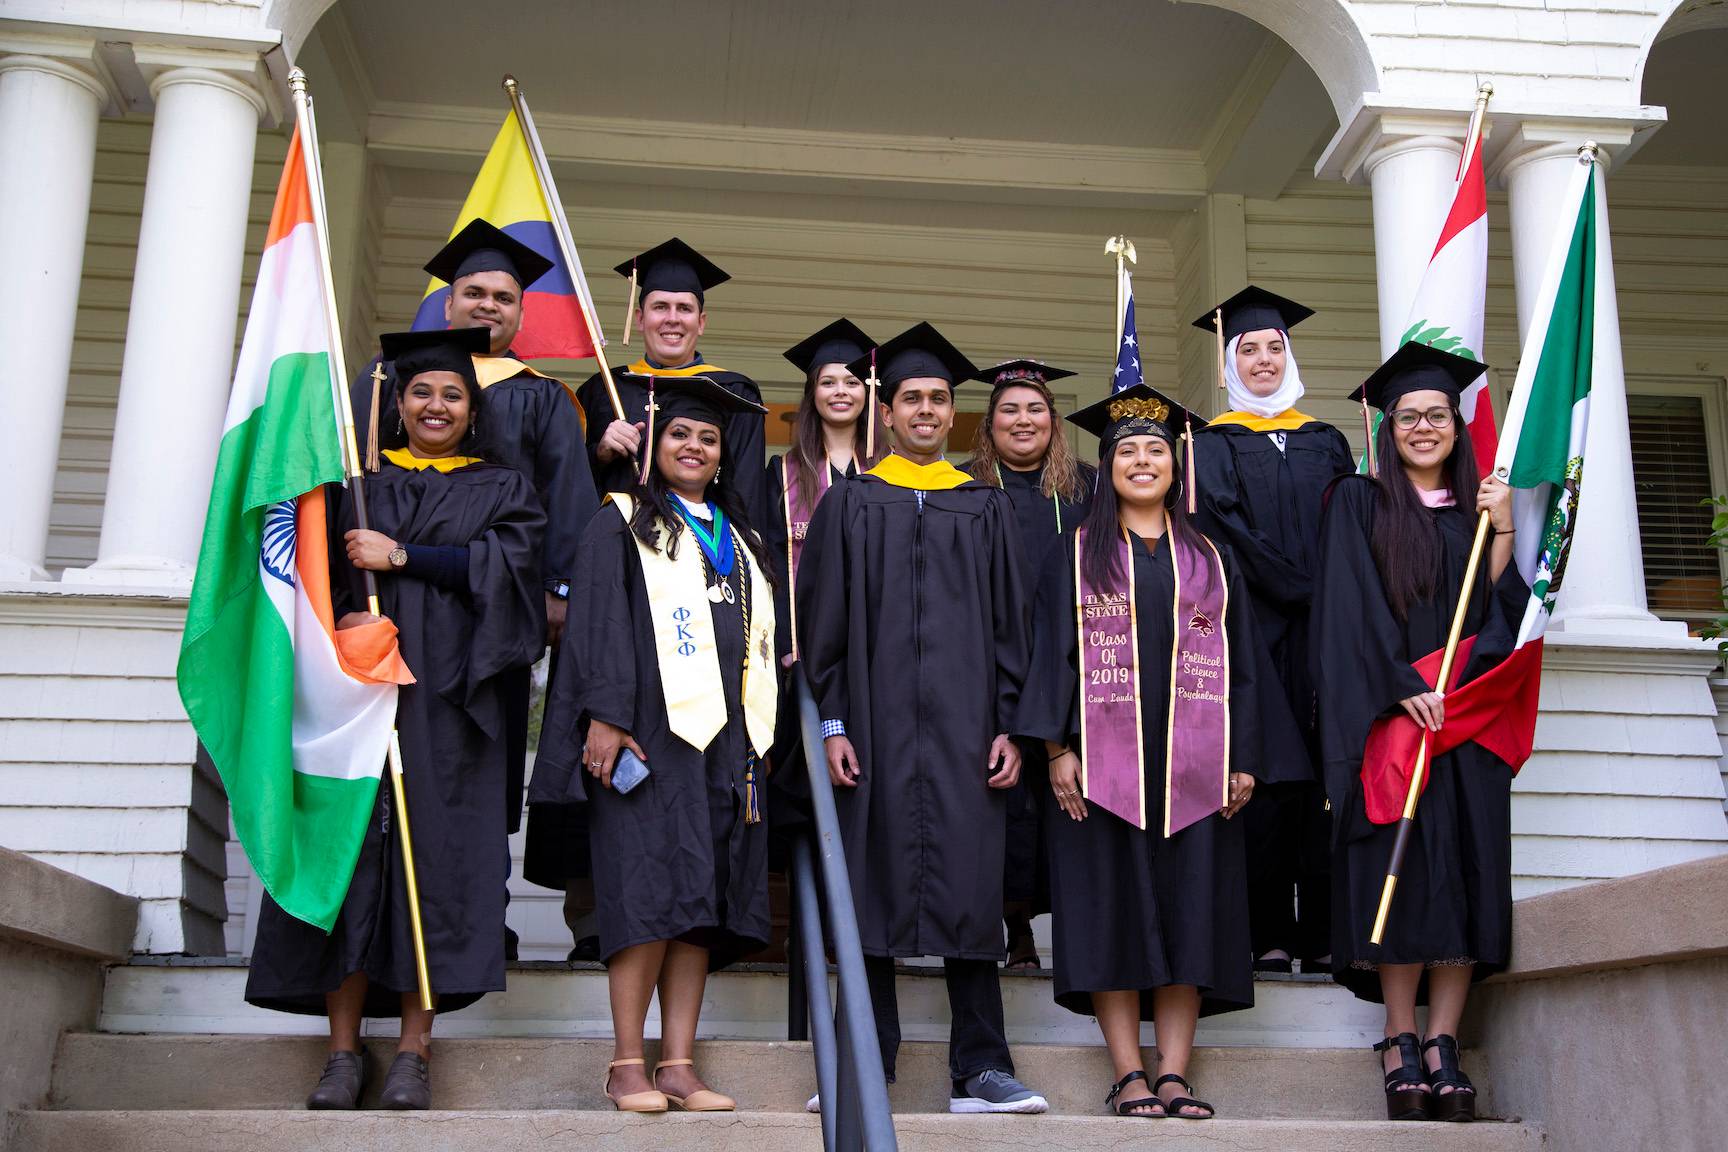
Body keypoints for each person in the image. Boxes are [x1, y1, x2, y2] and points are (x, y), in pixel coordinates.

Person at [250, 327, 547, 1110]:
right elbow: (309, 590)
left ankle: (416, 1049)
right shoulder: (356, 486)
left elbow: (514, 580)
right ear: (397, 403)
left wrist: (405, 558)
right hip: (355, 707)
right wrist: (342, 632)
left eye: (452, 394)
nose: (437, 406)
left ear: (472, 408)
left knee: (435, 870)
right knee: (349, 865)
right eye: (422, 392)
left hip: (450, 712)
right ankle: (342, 1053)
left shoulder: (504, 487)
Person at [797, 321, 1047, 1115]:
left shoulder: (984, 505)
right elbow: (823, 625)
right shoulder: (850, 503)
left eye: (941, 399)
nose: (928, 411)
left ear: (953, 413)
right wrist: (832, 722)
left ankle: (980, 1069)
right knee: (868, 882)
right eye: (913, 399)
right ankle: (862, 1058)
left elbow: (1015, 625)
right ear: (888, 409)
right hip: (871, 727)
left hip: (969, 729)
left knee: (972, 887)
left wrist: (1011, 722)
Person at [1017, 382, 1266, 1121]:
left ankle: (1175, 1073)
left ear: (1175, 465)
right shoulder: (1077, 553)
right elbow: (1051, 654)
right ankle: (1128, 1072)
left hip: (1197, 769)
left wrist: (1242, 754)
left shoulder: (1210, 559)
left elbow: (1245, 662)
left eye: (1157, 449)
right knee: (1110, 911)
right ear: (1109, 466)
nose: (1144, 460)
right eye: (1128, 450)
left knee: (1193, 909)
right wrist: (1057, 749)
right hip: (1102, 773)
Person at [352, 220, 600, 961]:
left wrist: (558, 593)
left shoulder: (542, 396)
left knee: (479, 766)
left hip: (497, 609)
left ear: (521, 314)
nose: (488, 307)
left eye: (503, 297)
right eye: (474, 294)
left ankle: (479, 915)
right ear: (447, 302)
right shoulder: (379, 385)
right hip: (390, 614)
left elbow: (567, 499)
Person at [532, 374, 779, 1115]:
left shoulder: (740, 538)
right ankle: (625, 1063)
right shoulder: (622, 521)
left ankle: (678, 1062)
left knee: (698, 902)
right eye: (680, 435)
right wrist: (603, 714)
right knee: (643, 892)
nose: (695, 446)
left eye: (707, 437)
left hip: (725, 743)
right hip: (647, 737)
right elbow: (597, 622)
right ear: (654, 446)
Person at [534, 238, 768, 952]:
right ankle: (592, 924)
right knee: (604, 753)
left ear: (702, 321)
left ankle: (696, 917)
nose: (671, 319)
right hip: (617, 605)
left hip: (700, 603)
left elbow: (744, 500)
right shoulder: (598, 392)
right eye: (659, 306)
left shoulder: (736, 394)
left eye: (684, 309)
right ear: (637, 316)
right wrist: (596, 450)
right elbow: (565, 502)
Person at [1311, 341, 1522, 1124]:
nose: (1424, 427)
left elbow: (1498, 613)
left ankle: (1444, 1041)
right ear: (1387, 427)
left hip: (1466, 721)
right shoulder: (1359, 504)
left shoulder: (1479, 510)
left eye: (1438, 415)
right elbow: (1345, 613)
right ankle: (1399, 1037)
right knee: (1395, 875)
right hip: (1394, 724)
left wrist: (1502, 533)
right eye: (1410, 416)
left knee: (1463, 870)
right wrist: (1401, 689)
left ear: (1457, 427)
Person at [1189, 286, 1351, 976]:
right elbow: (1224, 528)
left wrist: (1333, 597)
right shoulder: (1213, 444)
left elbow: (1351, 526)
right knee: (1261, 775)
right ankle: (1266, 933)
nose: (1262, 360)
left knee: (1324, 775)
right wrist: (1302, 585)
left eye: (1273, 348)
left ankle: (1322, 929)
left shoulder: (1328, 440)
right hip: (1251, 628)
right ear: (1229, 365)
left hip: (1328, 634)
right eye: (1248, 349)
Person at [964, 359, 1094, 970]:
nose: (1023, 420)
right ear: (988, 426)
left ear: (1054, 422)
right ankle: (1009, 925)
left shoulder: (1088, 489)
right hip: (988, 663)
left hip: (1078, 663)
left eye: (1035, 409)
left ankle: (1077, 932)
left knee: (1070, 801)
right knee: (1003, 799)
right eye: (1009, 411)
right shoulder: (965, 491)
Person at [760, 319, 878, 833]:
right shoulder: (780, 477)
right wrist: (789, 644)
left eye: (852, 381)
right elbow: (767, 572)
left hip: (878, 662)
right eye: (828, 381)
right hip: (801, 662)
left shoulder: (893, 473)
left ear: (869, 393)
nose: (841, 392)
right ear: (812, 393)